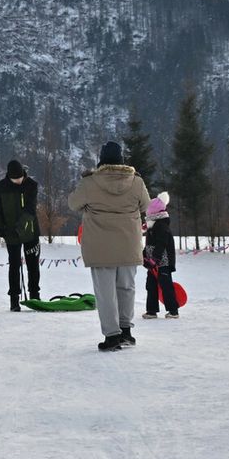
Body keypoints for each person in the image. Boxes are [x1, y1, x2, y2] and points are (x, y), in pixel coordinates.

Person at [68, 141, 150, 351]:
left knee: (105, 293)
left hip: (100, 246)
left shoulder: (90, 182)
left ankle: (112, 336)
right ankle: (126, 331)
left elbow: (73, 203)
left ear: (101, 160)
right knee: (126, 288)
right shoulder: (136, 182)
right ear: (122, 160)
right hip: (128, 244)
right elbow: (147, 206)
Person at [0, 160, 42, 311]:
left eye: (20, 178)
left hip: (30, 232)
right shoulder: (0, 188)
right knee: (14, 265)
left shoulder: (31, 185)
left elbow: (30, 209)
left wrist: (21, 227)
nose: (18, 181)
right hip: (10, 233)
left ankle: (34, 295)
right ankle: (14, 299)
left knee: (33, 265)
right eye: (15, 179)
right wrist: (0, 228)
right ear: (9, 177)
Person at [141, 192, 179, 319]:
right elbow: (149, 246)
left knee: (166, 285)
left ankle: (173, 311)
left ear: (152, 214)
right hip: (152, 263)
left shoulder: (162, 226)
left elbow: (161, 244)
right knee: (150, 285)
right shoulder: (152, 227)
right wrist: (143, 256)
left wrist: (154, 259)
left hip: (164, 263)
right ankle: (151, 310)